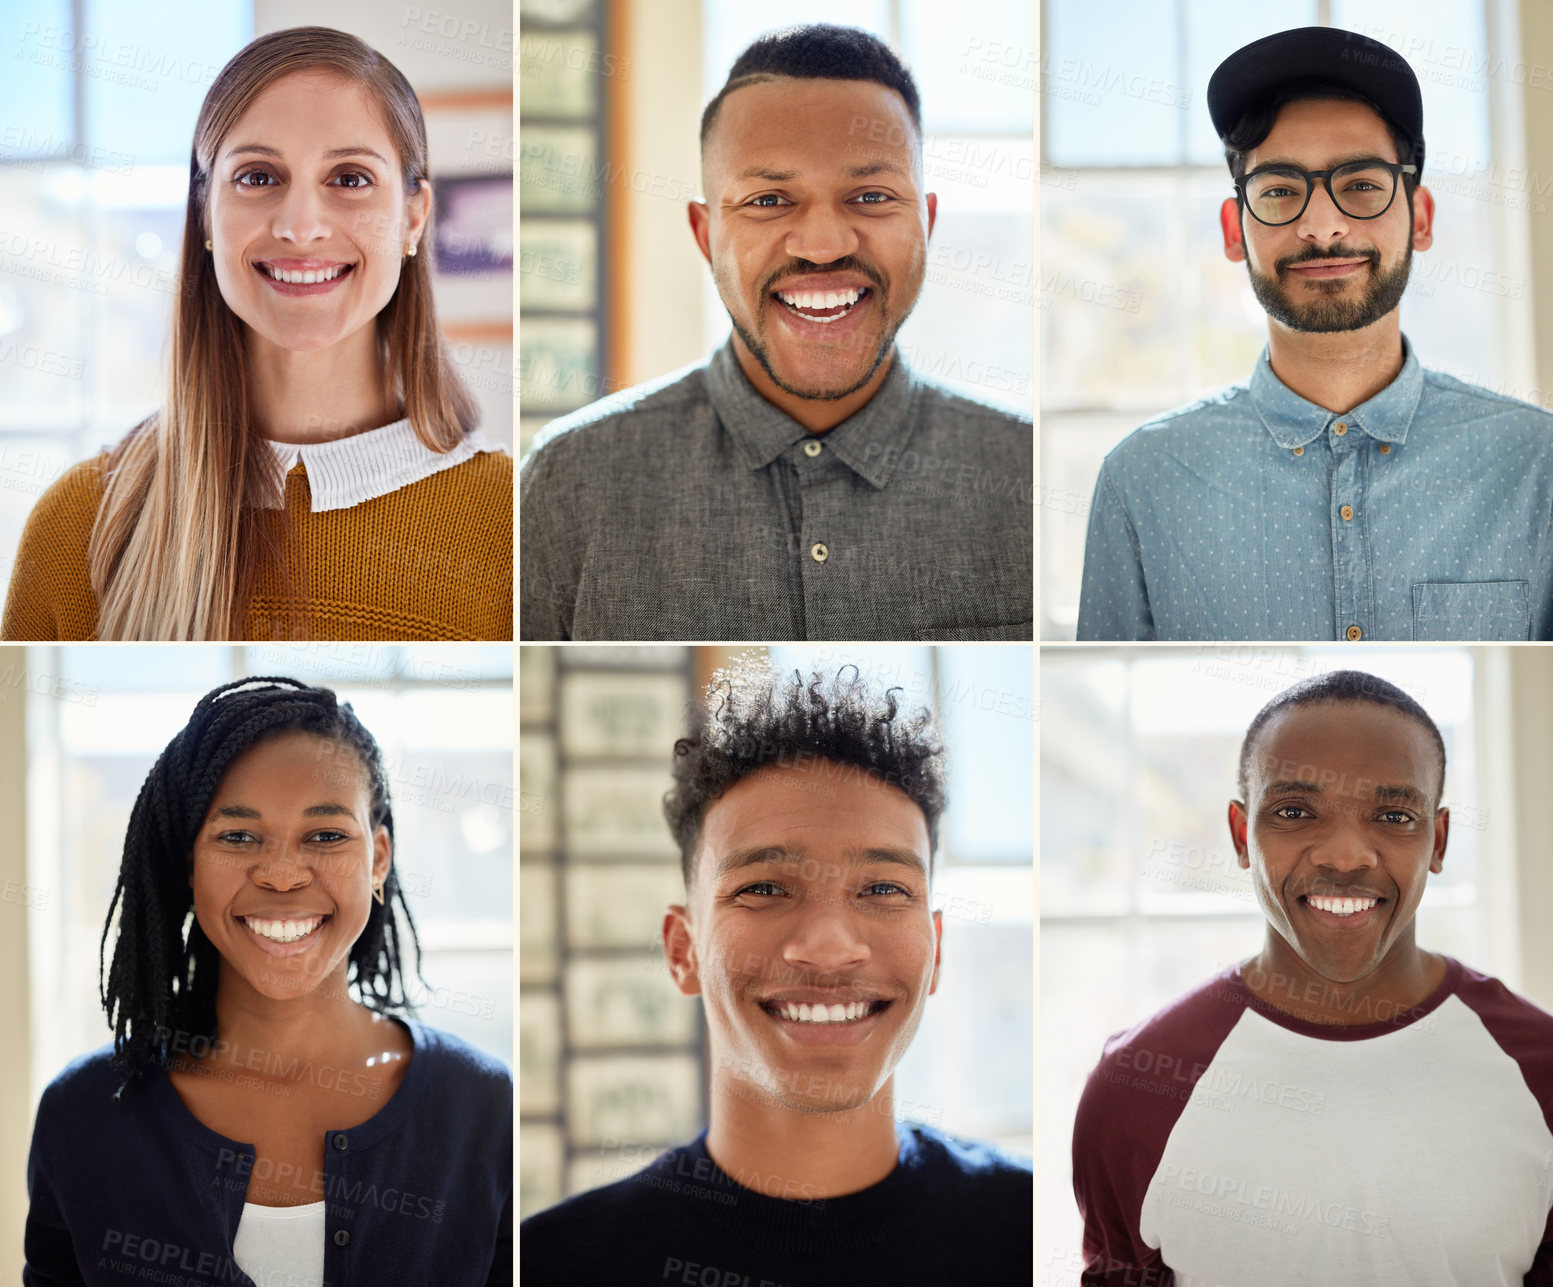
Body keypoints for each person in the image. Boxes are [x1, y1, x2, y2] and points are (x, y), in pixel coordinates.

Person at [519, 662, 1032, 1284]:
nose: (829, 947)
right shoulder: (552, 1263)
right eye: (764, 887)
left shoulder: (1027, 1231)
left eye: (883, 888)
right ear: (683, 951)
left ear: (937, 949)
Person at [520, 24, 1032, 641]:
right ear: (706, 236)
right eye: (768, 201)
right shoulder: (571, 478)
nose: (822, 245)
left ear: (925, 222)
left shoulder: (1025, 471)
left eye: (870, 195)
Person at [0, 27, 512, 642]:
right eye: (258, 177)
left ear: (413, 218)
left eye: (349, 179)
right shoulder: (74, 525)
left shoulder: (513, 521)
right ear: (205, 213)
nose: (300, 227)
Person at [23, 677, 511, 1285]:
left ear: (378, 859)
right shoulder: (84, 1115)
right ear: (189, 863)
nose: (282, 874)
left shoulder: (486, 1109)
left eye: (326, 835)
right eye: (237, 836)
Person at [1071, 670, 1553, 1283]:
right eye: (1296, 811)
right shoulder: (1136, 1086)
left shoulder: (1542, 1069)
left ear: (1439, 839)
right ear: (1243, 835)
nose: (1346, 855)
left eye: (1394, 816)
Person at [1076, 26, 1553, 642]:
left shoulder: (1538, 465)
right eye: (1279, 192)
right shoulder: (1140, 482)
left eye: (1361, 185)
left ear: (1422, 217)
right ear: (1233, 229)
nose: (1322, 226)